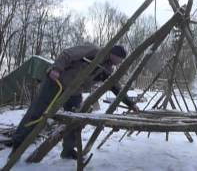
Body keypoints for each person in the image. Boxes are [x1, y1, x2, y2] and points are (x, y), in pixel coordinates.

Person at [10, 43, 139, 159]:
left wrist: (131, 103)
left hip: (74, 92)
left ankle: (68, 150)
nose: (119, 62)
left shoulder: (107, 69)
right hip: (57, 82)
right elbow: (67, 54)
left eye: (120, 60)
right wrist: (56, 69)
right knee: (37, 111)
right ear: (113, 54)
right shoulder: (93, 50)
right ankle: (18, 144)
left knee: (75, 119)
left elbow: (115, 87)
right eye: (119, 59)